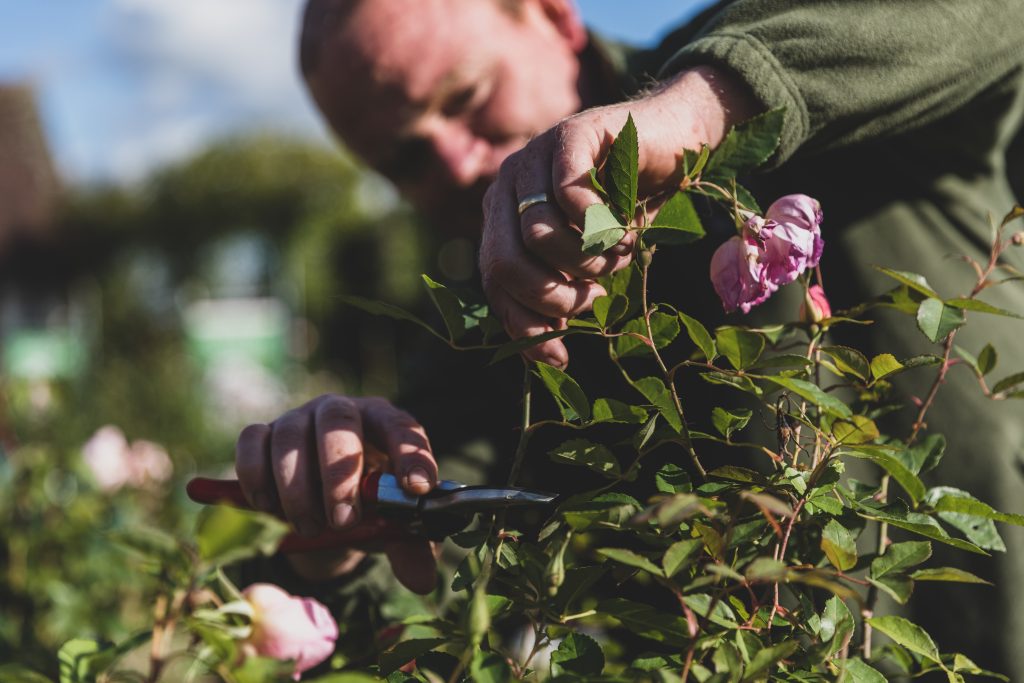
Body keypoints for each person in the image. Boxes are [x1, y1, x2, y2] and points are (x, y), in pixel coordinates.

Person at [236, 0, 1024, 675]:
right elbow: (441, 565)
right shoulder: (495, 329)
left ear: (552, 17)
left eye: (465, 95)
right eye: (405, 160)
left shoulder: (768, 55)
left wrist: (700, 111)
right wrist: (335, 533)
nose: (457, 158)